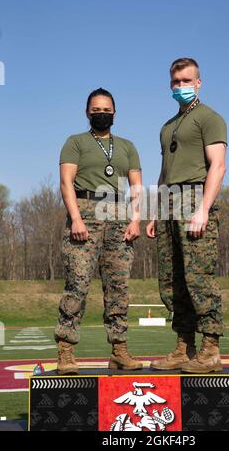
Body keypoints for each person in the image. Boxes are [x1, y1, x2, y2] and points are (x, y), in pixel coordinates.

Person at [147, 58, 227, 373]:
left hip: (195, 197)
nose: (181, 86)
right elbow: (164, 172)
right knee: (171, 280)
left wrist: (204, 209)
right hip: (167, 204)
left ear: (199, 83)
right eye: (175, 82)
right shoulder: (167, 127)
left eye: (186, 81)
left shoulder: (211, 118)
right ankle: (183, 347)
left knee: (198, 277)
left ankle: (210, 349)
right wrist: (155, 212)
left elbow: (218, 166)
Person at [55, 87, 143, 373]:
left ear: (114, 112)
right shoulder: (75, 142)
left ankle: (119, 350)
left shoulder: (127, 146)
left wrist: (136, 219)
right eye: (96, 110)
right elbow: (66, 182)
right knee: (78, 284)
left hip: (119, 216)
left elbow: (136, 186)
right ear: (87, 112)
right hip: (86, 213)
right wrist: (76, 218)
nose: (101, 114)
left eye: (106, 110)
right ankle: (66, 351)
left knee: (118, 287)